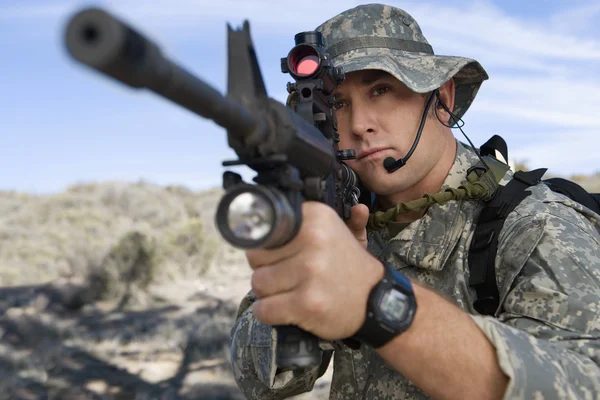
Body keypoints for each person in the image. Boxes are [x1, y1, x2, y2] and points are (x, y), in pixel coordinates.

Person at [229, 3, 600, 399]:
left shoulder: (536, 224)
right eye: (337, 103)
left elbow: (584, 384)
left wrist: (375, 301)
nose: (358, 124)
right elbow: (263, 383)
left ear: (441, 96)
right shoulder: (343, 215)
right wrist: (301, 285)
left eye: (381, 90)